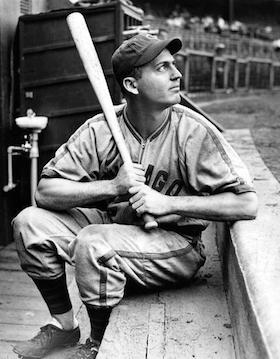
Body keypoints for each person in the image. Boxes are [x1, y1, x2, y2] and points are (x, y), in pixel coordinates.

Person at [12, 33, 258, 359]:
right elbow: (44, 192)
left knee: (93, 242)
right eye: (162, 68)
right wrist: (113, 186)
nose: (177, 74)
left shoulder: (193, 131)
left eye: (174, 65)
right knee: (29, 223)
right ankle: (64, 326)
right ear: (131, 84)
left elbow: (247, 202)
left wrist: (168, 203)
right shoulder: (101, 128)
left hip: (176, 244)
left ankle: (97, 343)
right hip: (116, 228)